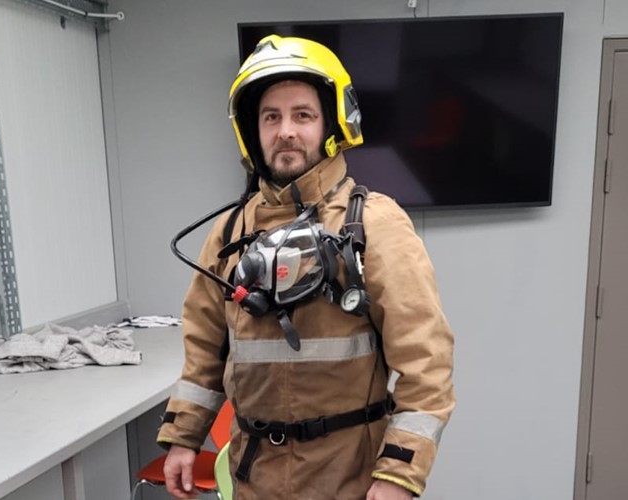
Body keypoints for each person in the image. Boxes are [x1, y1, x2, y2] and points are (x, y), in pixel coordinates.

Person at [157, 34, 455, 499]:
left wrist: (399, 474)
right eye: (270, 117)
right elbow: (203, 351)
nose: (286, 131)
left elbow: (426, 366)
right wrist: (182, 437)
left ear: (332, 123)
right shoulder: (229, 233)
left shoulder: (374, 224)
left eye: (303, 115)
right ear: (252, 130)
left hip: (348, 480)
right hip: (253, 477)